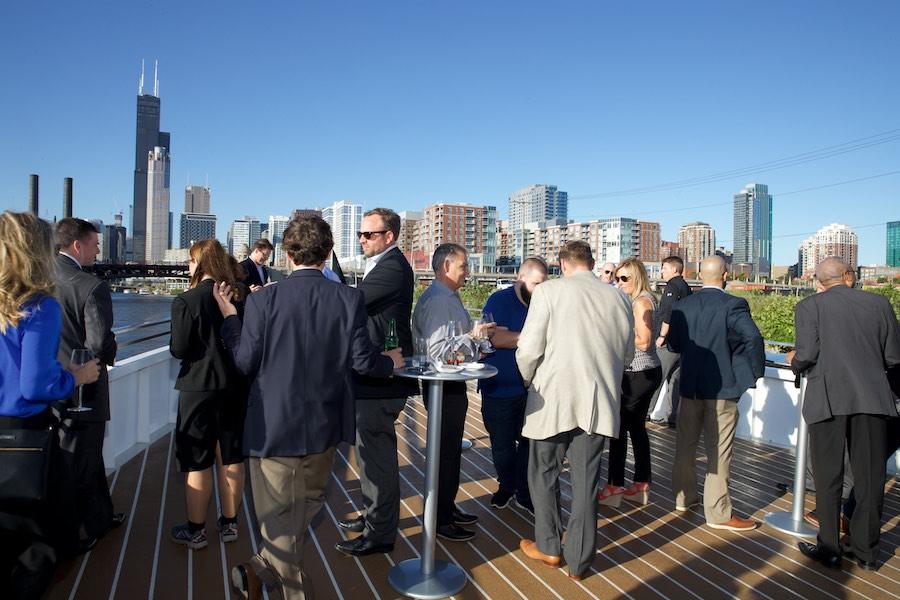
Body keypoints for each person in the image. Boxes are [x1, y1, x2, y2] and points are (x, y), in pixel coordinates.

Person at [213, 216, 403, 600]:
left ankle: (260, 567)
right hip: (325, 424)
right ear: (328, 251)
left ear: (286, 253)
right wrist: (391, 363)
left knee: (277, 520)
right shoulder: (348, 299)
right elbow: (364, 362)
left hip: (271, 428)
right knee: (308, 504)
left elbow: (244, 362)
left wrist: (231, 321)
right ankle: (282, 583)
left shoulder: (263, 300)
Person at [515, 241, 634, 580]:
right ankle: (580, 563)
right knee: (585, 482)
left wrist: (528, 380)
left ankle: (550, 547)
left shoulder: (549, 293)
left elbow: (528, 348)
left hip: (552, 397)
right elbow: (627, 355)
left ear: (563, 263)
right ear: (593, 264)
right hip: (598, 402)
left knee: (542, 473)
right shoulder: (619, 298)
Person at [0, 211, 99, 599]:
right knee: (40, 544)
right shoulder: (39, 305)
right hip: (23, 439)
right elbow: (36, 385)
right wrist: (76, 377)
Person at [787, 257, 900, 570]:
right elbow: (893, 357)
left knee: (828, 476)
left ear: (820, 281)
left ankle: (830, 548)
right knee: (870, 477)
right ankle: (866, 553)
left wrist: (794, 361)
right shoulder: (880, 304)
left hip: (827, 399)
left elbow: (807, 354)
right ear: (850, 276)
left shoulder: (809, 307)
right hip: (872, 400)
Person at [336, 208, 419, 557]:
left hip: (383, 378)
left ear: (389, 237)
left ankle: (381, 532)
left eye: (368, 234)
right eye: (360, 233)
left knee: (378, 457)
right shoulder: (382, 265)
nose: (361, 239)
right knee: (368, 454)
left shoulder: (393, 268)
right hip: (374, 373)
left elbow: (352, 302)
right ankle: (373, 514)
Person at [667, 255, 764, 532]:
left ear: (699, 274)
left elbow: (674, 345)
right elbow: (753, 338)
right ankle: (719, 513)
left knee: (685, 445)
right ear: (725, 275)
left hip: (689, 387)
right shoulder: (734, 304)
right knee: (718, 451)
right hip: (722, 388)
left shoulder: (683, 306)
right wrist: (753, 372)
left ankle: (684, 498)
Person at [412, 243, 496, 542]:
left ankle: (446, 507)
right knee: (445, 454)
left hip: (450, 384)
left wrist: (473, 346)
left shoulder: (448, 297)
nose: (468, 273)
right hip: (442, 386)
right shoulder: (438, 301)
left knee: (448, 453)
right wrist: (473, 337)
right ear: (446, 267)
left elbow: (451, 347)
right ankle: (440, 518)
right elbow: (437, 353)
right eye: (463, 266)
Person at [169, 239, 249, 549]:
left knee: (197, 461)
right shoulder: (238, 298)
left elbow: (179, 349)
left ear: (198, 264)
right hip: (234, 387)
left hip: (198, 389)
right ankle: (230, 524)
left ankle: (196, 530)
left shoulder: (187, 301)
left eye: (190, 262)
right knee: (230, 456)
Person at [53, 217, 124, 553]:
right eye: (96, 244)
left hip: (50, 384)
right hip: (86, 386)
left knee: (80, 457)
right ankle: (79, 530)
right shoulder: (90, 285)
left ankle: (102, 514)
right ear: (78, 246)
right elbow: (96, 343)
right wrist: (111, 348)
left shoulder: (37, 279)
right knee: (84, 458)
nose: (99, 250)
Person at [478, 257, 548, 513]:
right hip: (499, 387)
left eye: (544, 283)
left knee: (531, 442)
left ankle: (523, 490)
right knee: (502, 445)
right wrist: (533, 337)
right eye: (536, 283)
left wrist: (516, 337)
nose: (540, 289)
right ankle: (507, 485)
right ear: (521, 278)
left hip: (534, 388)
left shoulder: (542, 303)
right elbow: (496, 338)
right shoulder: (499, 300)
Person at [599, 258, 663, 507]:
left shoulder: (641, 302)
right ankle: (641, 484)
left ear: (637, 278)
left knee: (618, 430)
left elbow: (645, 341)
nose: (619, 282)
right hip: (646, 371)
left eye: (624, 278)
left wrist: (614, 337)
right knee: (636, 429)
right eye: (617, 278)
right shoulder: (643, 298)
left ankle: (614, 487)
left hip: (637, 373)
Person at [648, 255, 692, 426]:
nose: (662, 272)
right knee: (675, 380)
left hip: (668, 343)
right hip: (682, 342)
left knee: (657, 377)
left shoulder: (672, 286)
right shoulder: (686, 287)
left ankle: (646, 412)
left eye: (664, 268)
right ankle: (673, 416)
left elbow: (668, 312)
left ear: (674, 269)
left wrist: (661, 336)